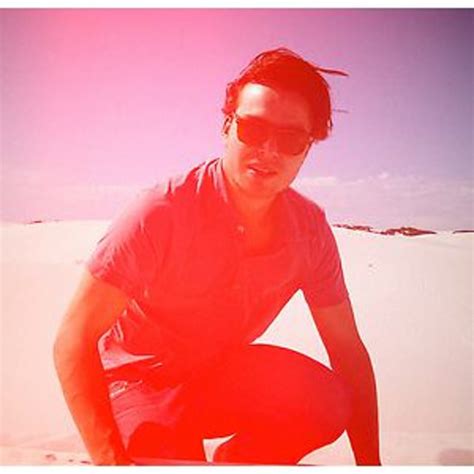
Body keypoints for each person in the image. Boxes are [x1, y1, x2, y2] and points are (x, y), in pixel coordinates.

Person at [53, 47, 381, 466]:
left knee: (328, 401)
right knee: (168, 455)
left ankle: (239, 460)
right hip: (137, 379)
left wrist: (371, 465)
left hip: (215, 372)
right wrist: (111, 462)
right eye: (253, 129)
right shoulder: (161, 212)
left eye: (290, 139)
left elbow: (347, 350)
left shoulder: (309, 231)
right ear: (227, 126)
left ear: (308, 148)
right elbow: (73, 338)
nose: (269, 151)